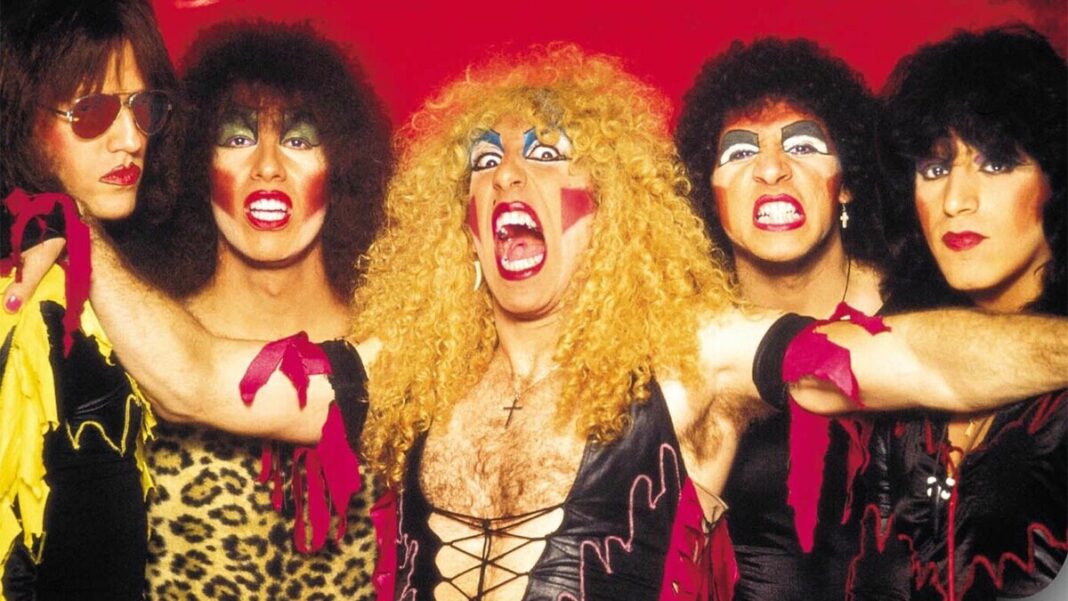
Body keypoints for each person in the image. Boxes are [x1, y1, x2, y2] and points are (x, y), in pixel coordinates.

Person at [35, 45, 1068, 601]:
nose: (509, 179)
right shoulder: (407, 373)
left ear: (608, 208)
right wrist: (70, 229)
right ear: (463, 224)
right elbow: (199, 379)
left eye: (547, 156)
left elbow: (918, 363)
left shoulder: (688, 359)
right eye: (486, 164)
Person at [123, 21, 391, 600]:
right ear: (198, 163)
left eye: (299, 140)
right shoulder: (137, 344)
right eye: (238, 137)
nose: (267, 166)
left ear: (341, 168)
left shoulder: (400, 350)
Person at [847, 26, 1067, 600]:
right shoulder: (901, 361)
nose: (954, 201)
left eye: (996, 165)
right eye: (935, 168)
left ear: (1056, 183)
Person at [675, 38, 887, 599]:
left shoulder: (921, 304)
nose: (771, 169)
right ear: (709, 196)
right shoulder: (685, 343)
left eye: (802, 145)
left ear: (849, 181)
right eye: (740, 152)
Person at [0, 0, 178, 598]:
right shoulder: (36, 304)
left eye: (144, 107)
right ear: (19, 119)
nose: (130, 139)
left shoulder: (116, 278)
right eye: (91, 111)